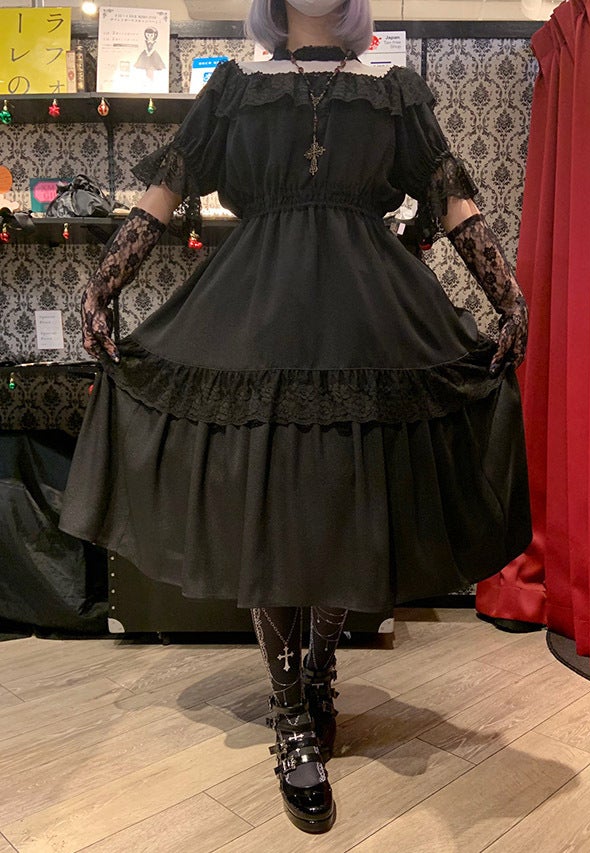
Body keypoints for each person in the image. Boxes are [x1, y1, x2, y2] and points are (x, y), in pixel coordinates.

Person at [59, 0, 531, 835]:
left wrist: (509, 297)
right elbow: (161, 197)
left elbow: (453, 199)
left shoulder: (394, 90)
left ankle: (318, 671)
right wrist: (102, 285)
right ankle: (290, 709)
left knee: (346, 498)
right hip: (258, 318)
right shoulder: (235, 90)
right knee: (273, 505)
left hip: (365, 321)